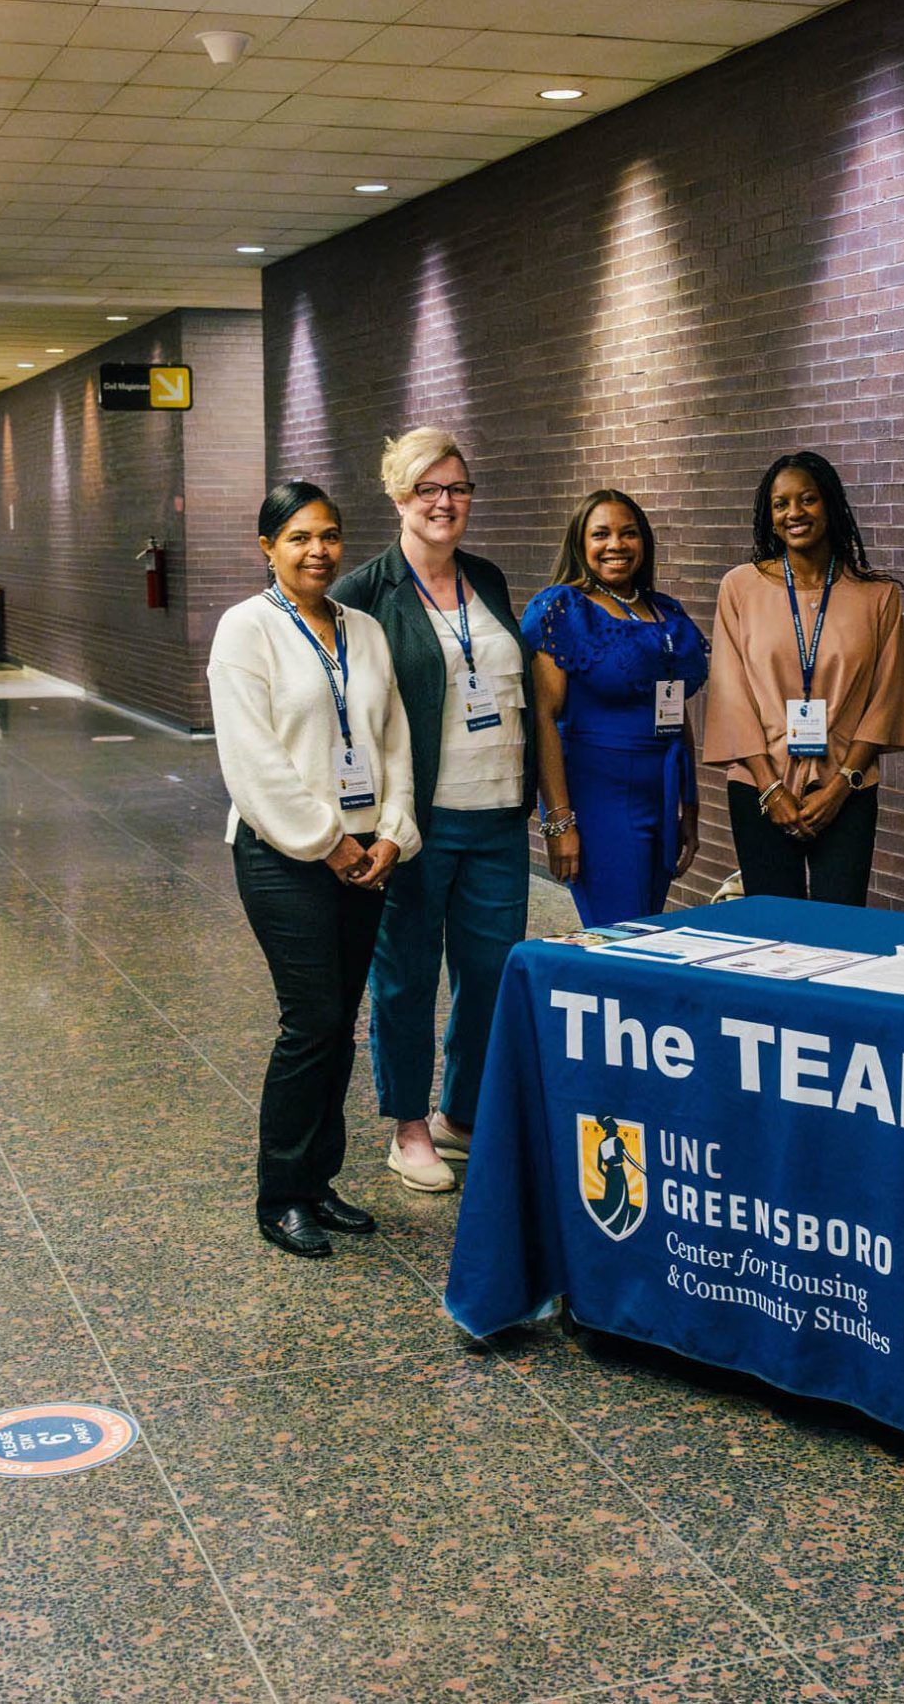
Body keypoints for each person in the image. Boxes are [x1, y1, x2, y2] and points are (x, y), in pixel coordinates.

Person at [208, 480, 420, 1258]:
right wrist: (329, 841)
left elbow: (391, 736)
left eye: (328, 536)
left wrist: (392, 833)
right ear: (268, 547)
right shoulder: (245, 630)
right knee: (313, 1021)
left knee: (340, 1024)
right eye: (298, 538)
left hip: (368, 854)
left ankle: (320, 1181)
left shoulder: (363, 630)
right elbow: (253, 761)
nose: (318, 551)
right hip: (283, 856)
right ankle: (281, 1194)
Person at [334, 428, 535, 1196]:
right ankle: (408, 1126)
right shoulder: (365, 592)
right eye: (428, 489)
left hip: (496, 817)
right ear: (398, 497)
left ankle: (462, 1112)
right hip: (415, 823)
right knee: (407, 979)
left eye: (457, 488)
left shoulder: (486, 577)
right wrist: (366, 821)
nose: (445, 503)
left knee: (490, 975)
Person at [702, 451, 904, 904]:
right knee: (774, 932)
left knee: (840, 929)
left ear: (831, 505)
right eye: (781, 504)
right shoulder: (739, 588)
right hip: (760, 787)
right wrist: (771, 787)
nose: (794, 513)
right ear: (770, 515)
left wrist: (842, 786)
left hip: (848, 790)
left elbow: (885, 699)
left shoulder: (877, 595)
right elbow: (731, 696)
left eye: (807, 500)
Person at [522, 490, 710, 925]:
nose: (616, 545)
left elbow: (674, 710)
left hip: (661, 795)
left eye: (628, 533)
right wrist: (560, 822)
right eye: (600, 534)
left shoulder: (664, 612)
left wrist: (690, 807)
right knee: (621, 935)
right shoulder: (562, 609)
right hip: (600, 799)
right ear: (579, 543)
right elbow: (544, 719)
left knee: (649, 930)